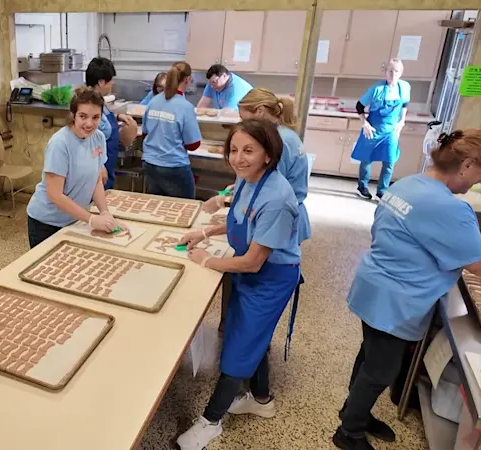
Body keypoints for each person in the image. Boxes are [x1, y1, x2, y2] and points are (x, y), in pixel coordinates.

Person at [333, 129, 481, 450]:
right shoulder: (451, 209)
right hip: (398, 299)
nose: (474, 185)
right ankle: (349, 432)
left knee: (369, 356)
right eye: (478, 176)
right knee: (381, 370)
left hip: (374, 286)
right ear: (467, 165)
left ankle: (353, 410)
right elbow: (476, 263)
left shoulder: (407, 184)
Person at [176, 119, 302, 450]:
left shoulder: (277, 198)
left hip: (270, 278)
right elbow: (243, 221)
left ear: (268, 155)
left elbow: (253, 261)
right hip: (250, 274)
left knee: (235, 351)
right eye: (233, 150)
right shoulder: (247, 180)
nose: (238, 158)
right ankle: (261, 399)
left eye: (249, 151)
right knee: (248, 336)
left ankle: (210, 421)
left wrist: (205, 259)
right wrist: (205, 231)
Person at [205, 88, 312, 243]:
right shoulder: (287, 134)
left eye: (244, 119)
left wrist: (223, 201)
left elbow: (268, 190)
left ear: (260, 111)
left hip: (278, 219)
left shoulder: (278, 142)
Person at [26, 87, 128, 248]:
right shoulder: (60, 143)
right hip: (46, 223)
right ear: (73, 115)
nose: (89, 123)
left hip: (74, 218)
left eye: (96, 117)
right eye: (83, 116)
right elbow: (55, 195)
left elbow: (96, 180)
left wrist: (105, 213)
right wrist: (92, 219)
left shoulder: (98, 138)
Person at [141, 61, 202, 199]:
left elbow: (145, 133)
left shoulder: (154, 101)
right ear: (188, 79)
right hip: (174, 166)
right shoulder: (185, 107)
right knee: (185, 208)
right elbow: (193, 145)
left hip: (150, 164)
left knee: (157, 205)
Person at [352, 59, 411, 200]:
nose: (393, 74)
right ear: (385, 72)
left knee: (389, 160)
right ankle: (362, 186)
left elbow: (405, 104)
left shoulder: (404, 87)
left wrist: (402, 121)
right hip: (373, 127)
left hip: (392, 130)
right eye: (390, 71)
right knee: (366, 158)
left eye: (396, 71)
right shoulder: (376, 89)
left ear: (401, 73)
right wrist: (364, 123)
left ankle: (382, 190)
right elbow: (359, 106)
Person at [86, 57, 138, 190]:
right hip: (96, 173)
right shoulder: (90, 105)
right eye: (110, 80)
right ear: (101, 82)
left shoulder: (98, 101)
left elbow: (102, 121)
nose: (112, 84)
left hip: (106, 170)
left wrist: (118, 116)